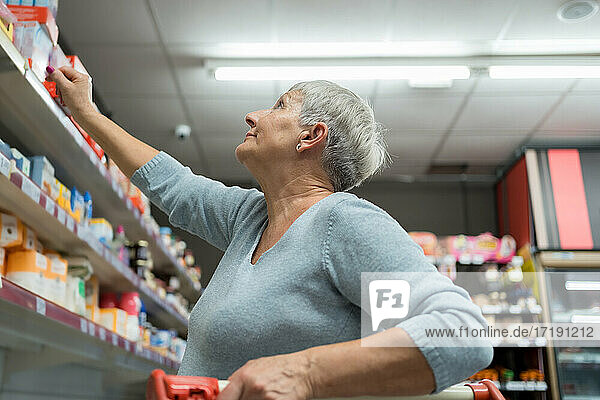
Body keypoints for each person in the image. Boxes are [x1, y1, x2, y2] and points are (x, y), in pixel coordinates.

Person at [46, 65, 493, 400]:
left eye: (279, 106)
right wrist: (86, 112)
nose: (253, 115)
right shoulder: (251, 218)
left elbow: (459, 332)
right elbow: (175, 187)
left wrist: (304, 372)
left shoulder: (345, 224)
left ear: (310, 136)